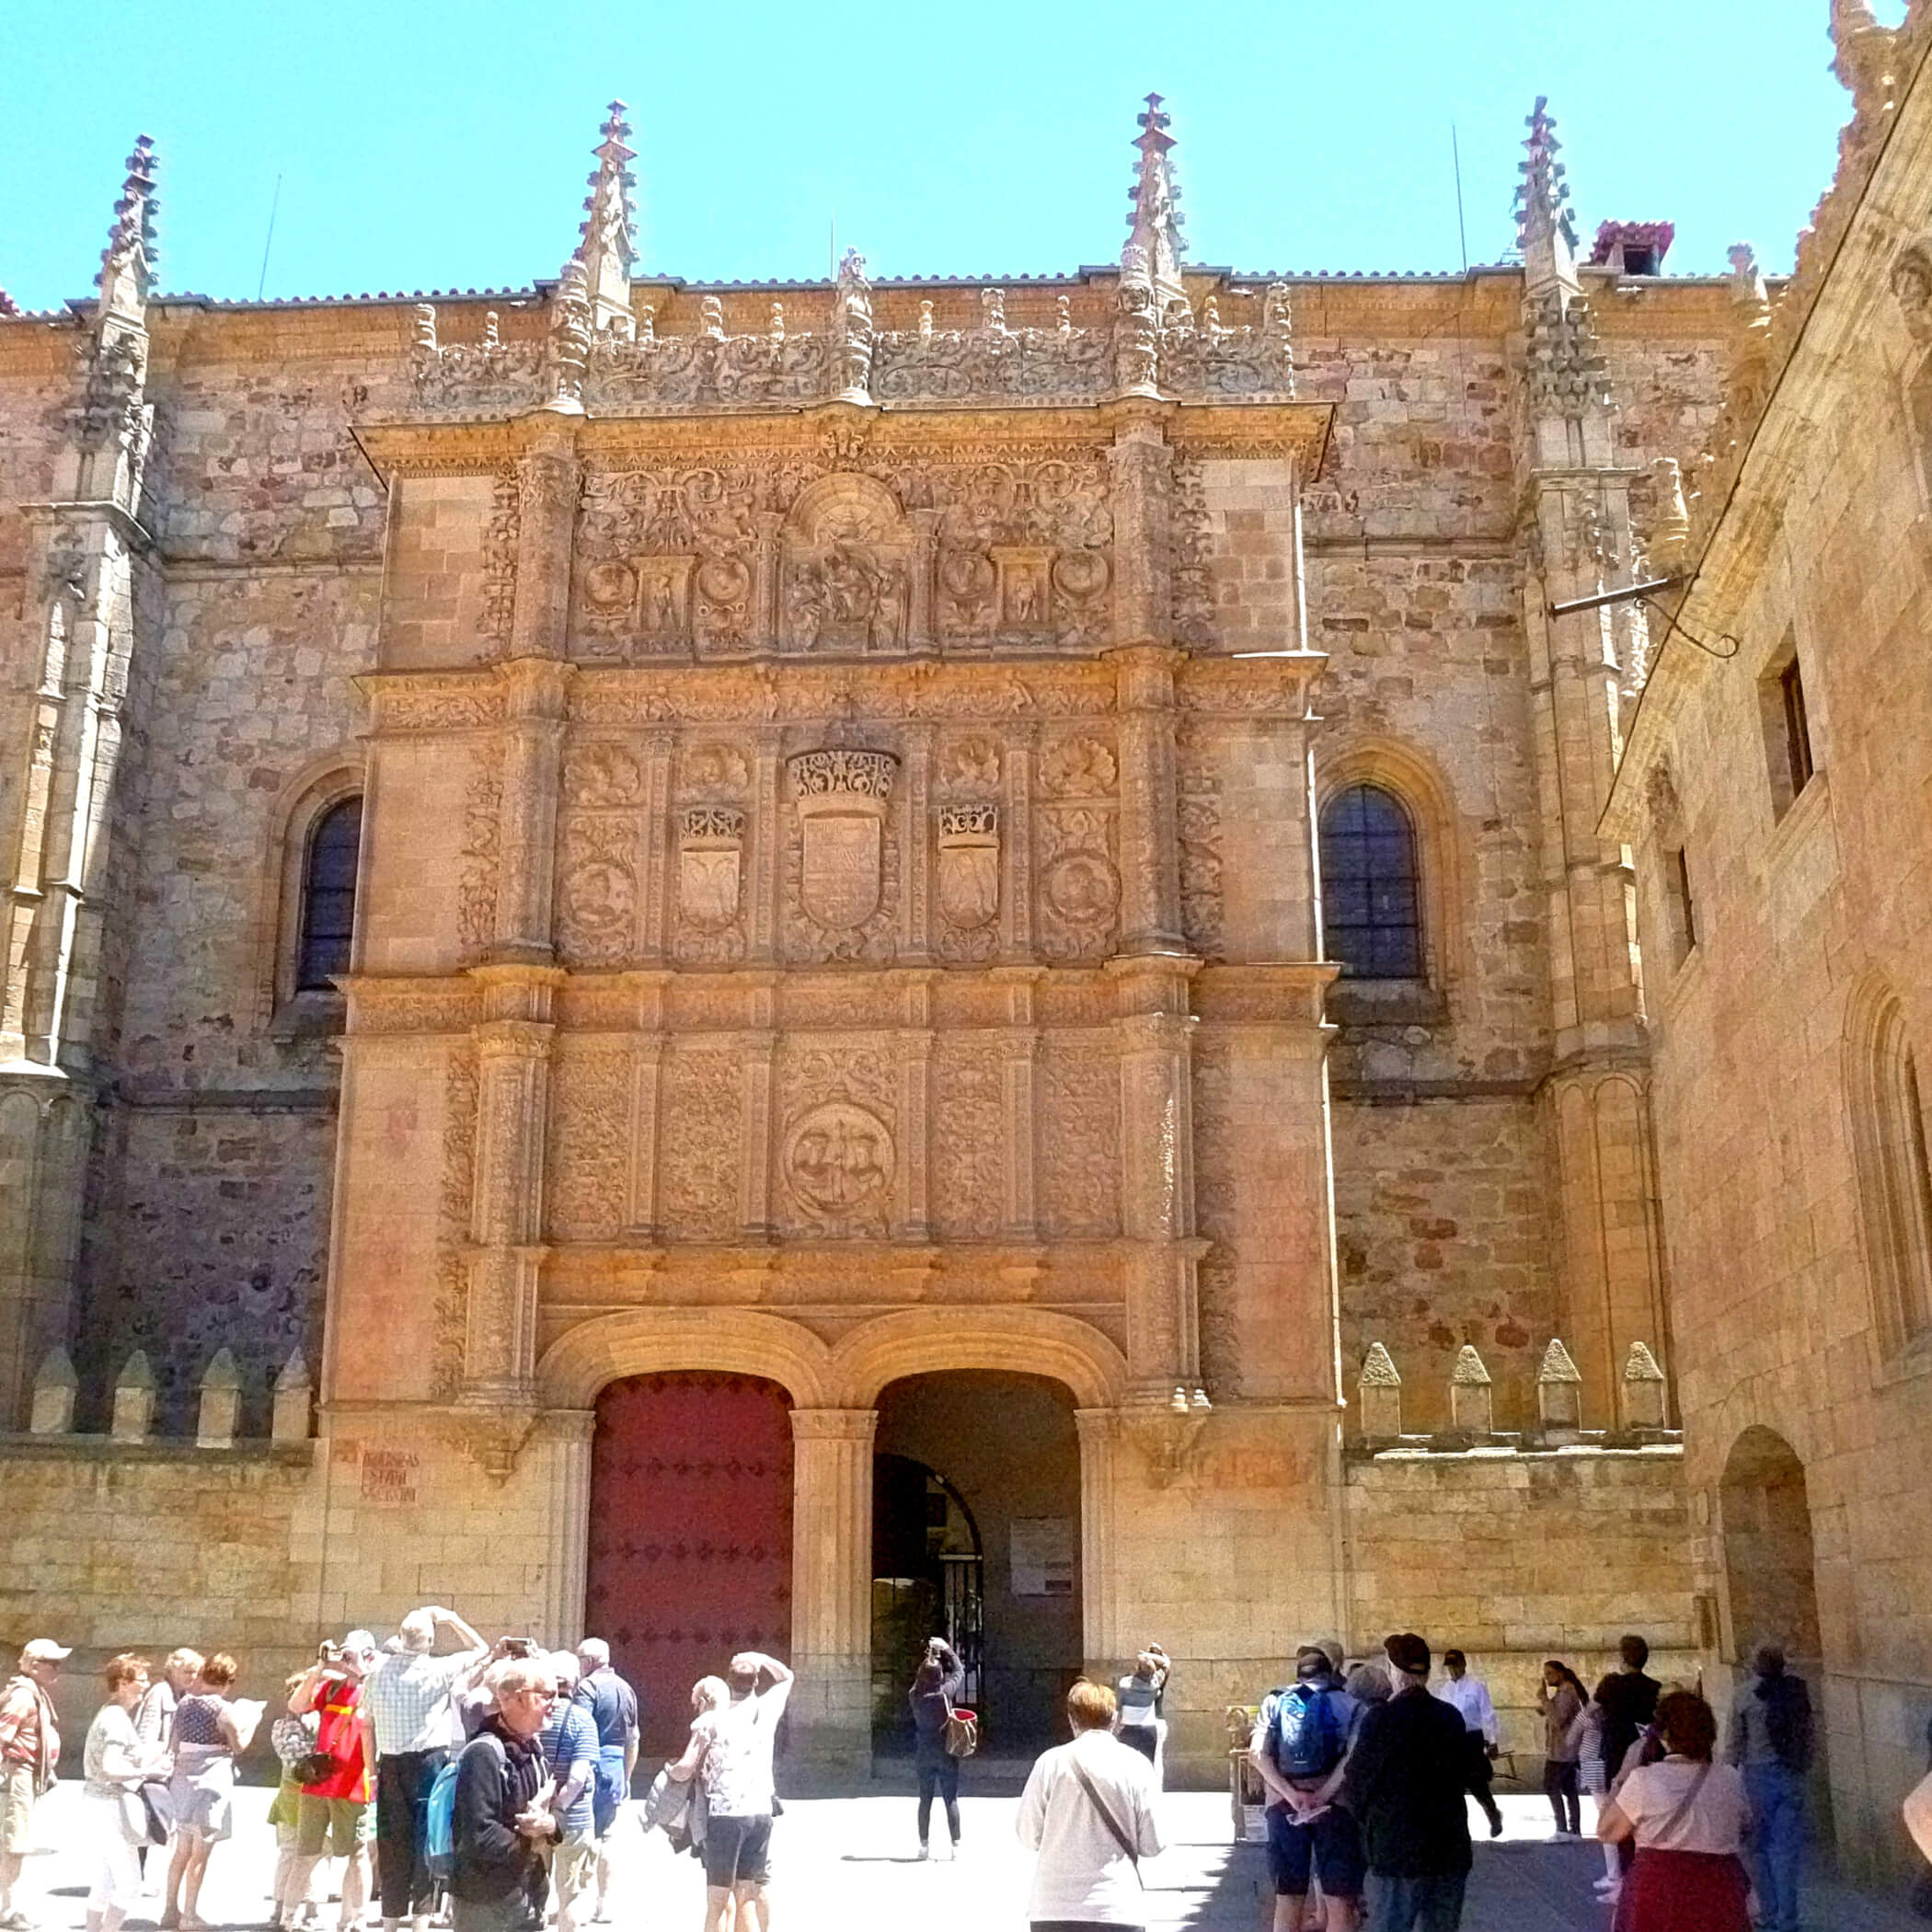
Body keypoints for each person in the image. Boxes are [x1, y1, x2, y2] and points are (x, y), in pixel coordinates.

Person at [362, 1605, 489, 1932]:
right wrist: (452, 1618)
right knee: (427, 1838)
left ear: (401, 1637)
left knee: (391, 1842)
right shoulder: (439, 1670)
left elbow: (366, 1723)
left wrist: (371, 1771)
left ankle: (390, 1919)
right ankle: (421, 1918)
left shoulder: (377, 1671)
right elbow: (481, 1649)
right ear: (430, 1640)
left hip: (389, 1764)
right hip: (429, 1763)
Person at [1340, 1633, 1472, 1932]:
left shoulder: (1381, 1719)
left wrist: (1370, 1825)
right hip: (1448, 1849)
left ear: (1395, 1672)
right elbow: (1467, 1773)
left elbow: (1357, 1783)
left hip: (1398, 1850)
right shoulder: (1449, 1717)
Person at [1597, 1689, 1751, 1932]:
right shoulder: (1730, 1779)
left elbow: (1607, 1831)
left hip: (1659, 1891)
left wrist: (1620, 1779)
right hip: (1719, 1890)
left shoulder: (1644, 1780)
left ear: (1664, 1733)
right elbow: (1745, 1827)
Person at [1017, 1679, 1163, 1932]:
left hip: (1054, 1908)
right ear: (1115, 1719)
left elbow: (1028, 1835)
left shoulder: (1050, 1763)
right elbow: (1154, 1843)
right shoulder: (1136, 1765)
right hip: (1117, 1907)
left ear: (1073, 1720)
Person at [665, 1651, 793, 1932]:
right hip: (760, 1812)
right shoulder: (767, 1709)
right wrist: (758, 1657)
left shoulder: (712, 1720)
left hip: (726, 1816)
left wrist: (668, 1772)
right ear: (757, 1681)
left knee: (718, 1899)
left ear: (727, 1681)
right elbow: (787, 1676)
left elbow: (686, 1768)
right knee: (746, 1894)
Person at [1248, 1646, 1363, 1932]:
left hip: (1284, 1808)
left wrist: (1291, 1794)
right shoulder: (1350, 1703)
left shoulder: (1274, 1701)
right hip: (1336, 1807)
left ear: (1298, 1676)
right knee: (1339, 1902)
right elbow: (1353, 1757)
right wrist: (1323, 1794)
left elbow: (1256, 1754)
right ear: (1330, 1674)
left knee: (1288, 1898)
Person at [280, 1633, 379, 1932]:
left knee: (357, 1852)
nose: (346, 1661)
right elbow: (297, 1706)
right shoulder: (331, 1687)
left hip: (352, 1784)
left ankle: (354, 1918)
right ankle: (288, 1916)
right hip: (319, 1781)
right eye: (345, 1655)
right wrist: (319, 1668)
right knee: (306, 1851)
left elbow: (368, 1733)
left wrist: (360, 1666)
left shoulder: (372, 1690)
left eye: (352, 1655)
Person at [451, 1657, 558, 1932]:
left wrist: (551, 1824)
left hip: (526, 1895)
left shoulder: (533, 1749)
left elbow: (553, 1812)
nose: (555, 1703)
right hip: (485, 1904)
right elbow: (477, 1834)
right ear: (519, 1699)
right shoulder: (484, 1754)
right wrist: (529, 1842)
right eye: (547, 1695)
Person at [163, 1653, 259, 1931]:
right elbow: (238, 1745)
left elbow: (175, 1743)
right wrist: (252, 1720)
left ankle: (170, 1909)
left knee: (181, 1850)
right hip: (210, 1781)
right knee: (200, 1853)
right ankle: (189, 1916)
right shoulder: (223, 1709)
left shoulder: (184, 1704)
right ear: (227, 1682)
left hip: (183, 1779)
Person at [1728, 1642, 1811, 1932]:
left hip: (1757, 1776)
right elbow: (1808, 1734)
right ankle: (1790, 1918)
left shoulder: (1744, 1695)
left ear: (1755, 1666)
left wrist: (1728, 1780)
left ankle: (1769, 1912)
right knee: (1787, 1850)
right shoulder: (1796, 1692)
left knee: (1758, 1849)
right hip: (1790, 1774)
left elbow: (1735, 1743)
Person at [83, 1654, 170, 1932]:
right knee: (130, 1884)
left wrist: (146, 1759)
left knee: (104, 1880)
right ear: (122, 1683)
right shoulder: (117, 1719)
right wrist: (149, 1772)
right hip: (112, 1805)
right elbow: (110, 1767)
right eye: (141, 1679)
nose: (146, 1685)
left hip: (98, 1802)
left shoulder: (110, 1713)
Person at [0, 1637, 68, 1928]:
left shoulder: (34, 1692)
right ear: (35, 1665)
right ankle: (8, 1910)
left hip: (26, 1776)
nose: (58, 1669)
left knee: (15, 1844)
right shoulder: (23, 1696)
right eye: (53, 1663)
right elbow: (3, 1735)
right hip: (18, 1776)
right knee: (14, 1846)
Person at [571, 1640, 638, 1924]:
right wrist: (627, 1775)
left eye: (579, 1659)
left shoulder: (587, 1688)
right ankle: (604, 1903)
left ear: (590, 1661)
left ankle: (579, 1902)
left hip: (590, 1762)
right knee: (607, 1836)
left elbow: (580, 1727)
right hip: (615, 1765)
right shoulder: (627, 1688)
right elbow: (634, 1737)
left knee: (582, 1834)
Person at [538, 1655, 597, 1932]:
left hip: (534, 1818)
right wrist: (559, 1809)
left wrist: (544, 1809)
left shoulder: (534, 1716)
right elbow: (577, 1778)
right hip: (573, 1819)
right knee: (569, 1895)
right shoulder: (582, 1720)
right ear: (576, 1682)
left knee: (532, 1893)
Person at [269, 1672, 320, 1932]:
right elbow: (295, 1762)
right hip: (291, 1801)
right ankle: (280, 1905)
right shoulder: (284, 1726)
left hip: (315, 1802)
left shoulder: (318, 1724)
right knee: (290, 1854)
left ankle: (311, 1905)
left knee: (314, 1854)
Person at [1432, 1651, 1501, 1839]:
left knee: (1476, 1782)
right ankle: (1457, 1829)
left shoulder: (1476, 1687)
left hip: (1472, 1739)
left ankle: (1492, 1812)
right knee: (1452, 1786)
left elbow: (1487, 1714)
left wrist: (1492, 1740)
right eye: (1450, 1666)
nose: (1453, 1670)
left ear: (1463, 1664)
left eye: (1455, 1665)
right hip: (1451, 1740)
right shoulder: (1445, 1689)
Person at [909, 1638, 965, 1861]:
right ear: (940, 1677)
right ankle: (956, 1845)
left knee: (925, 1799)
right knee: (950, 1798)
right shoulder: (944, 1694)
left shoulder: (914, 1696)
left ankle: (924, 1846)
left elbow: (920, 1678)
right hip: (946, 1751)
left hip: (924, 1752)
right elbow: (959, 1671)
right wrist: (946, 1650)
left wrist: (929, 1658)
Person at [1537, 1662, 1587, 1838]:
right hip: (1563, 1749)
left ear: (1560, 1673)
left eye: (1550, 1673)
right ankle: (1573, 1829)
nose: (1547, 1677)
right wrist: (1546, 1707)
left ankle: (1563, 1828)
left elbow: (1559, 1719)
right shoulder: (1564, 1691)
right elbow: (1557, 1712)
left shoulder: (1567, 1690)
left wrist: (1543, 1698)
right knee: (1568, 1788)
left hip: (1562, 1752)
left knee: (1551, 1786)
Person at [1114, 1645, 1168, 1772]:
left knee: (1127, 1766)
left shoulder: (1125, 1684)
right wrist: (1152, 1657)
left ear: (1138, 1668)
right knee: (1149, 1765)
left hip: (1129, 1728)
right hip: (1149, 1729)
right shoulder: (1155, 1686)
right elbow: (1166, 1664)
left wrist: (1145, 1656)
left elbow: (1118, 1706)